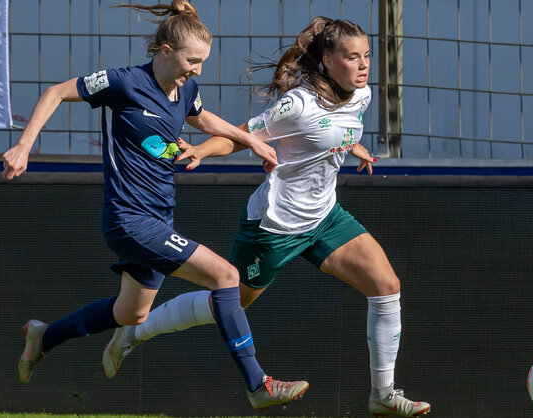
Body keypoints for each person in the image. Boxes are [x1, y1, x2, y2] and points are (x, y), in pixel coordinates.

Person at [101, 16, 431, 417]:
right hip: (275, 225)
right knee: (229, 301)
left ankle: (383, 394)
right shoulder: (297, 104)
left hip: (325, 217)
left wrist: (351, 146)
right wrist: (202, 151)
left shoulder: (359, 95)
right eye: (351, 57)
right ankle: (135, 330)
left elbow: (338, 130)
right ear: (326, 60)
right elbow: (241, 135)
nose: (363, 65)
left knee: (386, 285)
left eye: (366, 56)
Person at [1, 1, 308, 411]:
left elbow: (201, 119)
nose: (198, 69)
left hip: (159, 216)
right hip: (129, 220)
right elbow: (56, 91)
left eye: (202, 62)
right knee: (226, 275)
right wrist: (24, 145)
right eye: (191, 60)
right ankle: (258, 384)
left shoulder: (186, 89)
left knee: (132, 313)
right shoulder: (123, 83)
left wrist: (251, 140)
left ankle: (43, 337)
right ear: (164, 51)